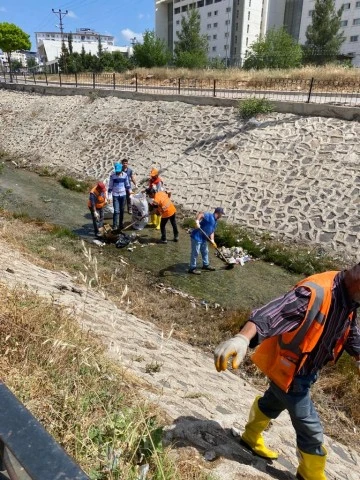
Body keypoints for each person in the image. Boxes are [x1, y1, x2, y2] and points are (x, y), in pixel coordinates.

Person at [214, 264, 360, 480]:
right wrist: (242, 338)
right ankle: (310, 474)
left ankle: (250, 436)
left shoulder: (350, 297)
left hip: (304, 371)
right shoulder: (315, 292)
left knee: (272, 402)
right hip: (291, 373)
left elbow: (349, 330)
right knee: (311, 430)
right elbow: (271, 314)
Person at [188, 207, 225, 275]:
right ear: (218, 213)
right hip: (197, 237)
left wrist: (212, 240)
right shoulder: (209, 216)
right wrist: (197, 221)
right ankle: (192, 268)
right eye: (221, 214)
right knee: (195, 253)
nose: (221, 216)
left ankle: (206, 265)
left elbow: (212, 231)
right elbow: (201, 214)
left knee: (205, 251)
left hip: (203, 238)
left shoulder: (215, 222)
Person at [107, 162, 132, 231]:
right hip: (115, 195)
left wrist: (130, 192)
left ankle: (120, 225)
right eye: (117, 171)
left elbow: (127, 185)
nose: (117, 173)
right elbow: (110, 187)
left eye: (119, 171)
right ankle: (115, 225)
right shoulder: (112, 176)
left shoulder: (125, 175)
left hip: (123, 195)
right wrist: (109, 196)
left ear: (121, 170)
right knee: (116, 211)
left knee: (122, 210)